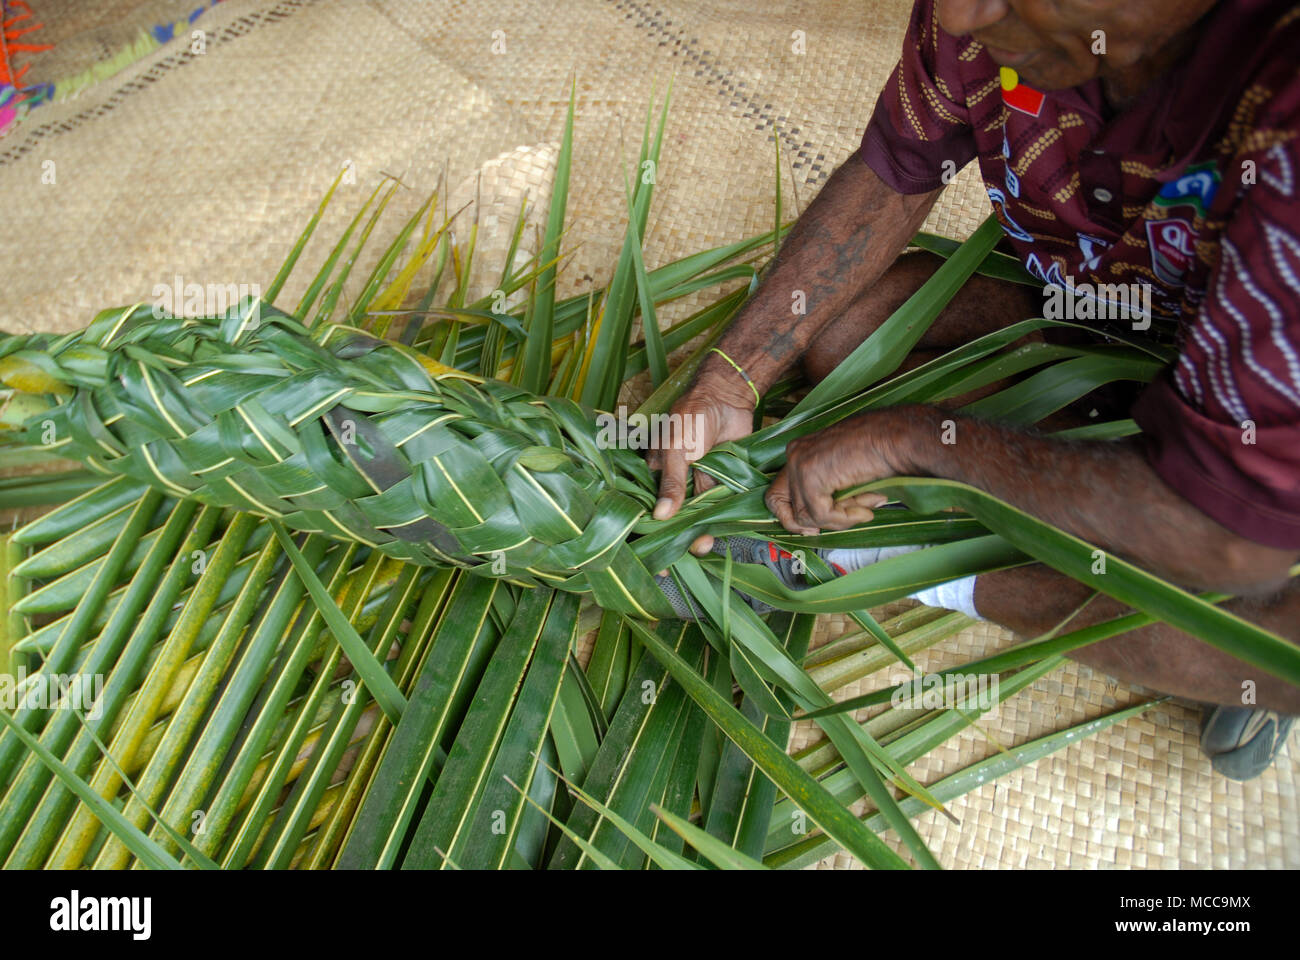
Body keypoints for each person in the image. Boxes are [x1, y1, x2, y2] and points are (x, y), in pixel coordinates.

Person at [650, 0, 1300, 780]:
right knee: (847, 328)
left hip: (1264, 480)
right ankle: (1107, 455)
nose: (959, 13)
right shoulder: (982, 12)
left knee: (1268, 624)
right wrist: (732, 374)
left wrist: (914, 437)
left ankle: (888, 559)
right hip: (1123, 314)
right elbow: (896, 168)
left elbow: (1233, 545)